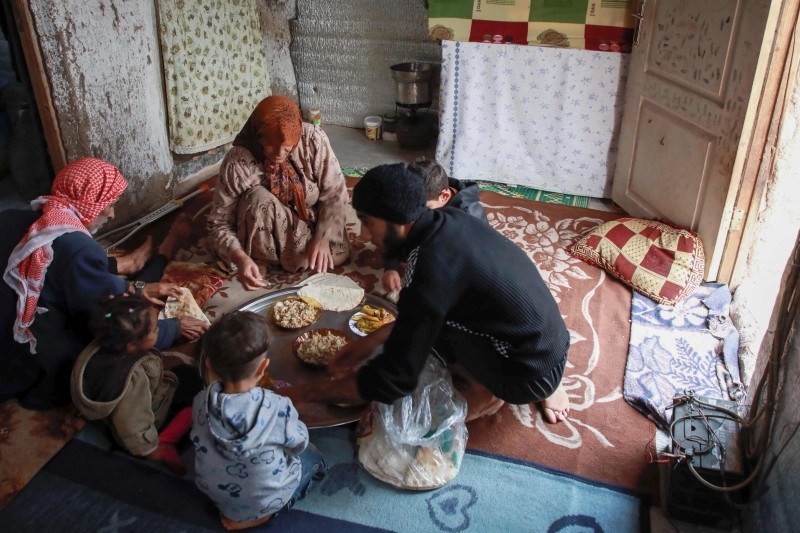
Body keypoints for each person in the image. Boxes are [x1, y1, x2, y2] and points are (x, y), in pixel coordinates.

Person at [283, 163, 571, 424]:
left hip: (527, 373)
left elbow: (395, 378)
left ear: (396, 220)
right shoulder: (448, 220)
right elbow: (420, 312)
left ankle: (487, 394)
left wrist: (307, 392)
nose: (366, 235)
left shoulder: (430, 269)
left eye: (368, 222)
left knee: (429, 343)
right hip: (548, 342)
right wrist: (367, 343)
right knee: (428, 322)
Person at [0, 158, 208, 410]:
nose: (111, 214)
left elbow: (53, 264)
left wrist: (117, 270)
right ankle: (151, 259)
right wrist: (174, 328)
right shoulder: (80, 250)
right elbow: (118, 318)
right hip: (39, 359)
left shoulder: (19, 217)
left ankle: (128, 265)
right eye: (106, 206)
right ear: (86, 202)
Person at [192, 310, 327, 530]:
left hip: (214, 491)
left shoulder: (201, 400)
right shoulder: (277, 407)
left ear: (209, 365)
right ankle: (261, 517)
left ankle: (238, 511)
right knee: (312, 455)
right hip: (263, 501)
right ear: (264, 369)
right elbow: (299, 443)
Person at [207, 95, 351, 291]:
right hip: (263, 227)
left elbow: (335, 192)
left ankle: (297, 255)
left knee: (336, 251)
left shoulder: (312, 139)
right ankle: (263, 259)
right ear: (258, 136)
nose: (279, 155)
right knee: (258, 198)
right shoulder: (239, 162)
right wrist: (240, 258)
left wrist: (323, 237)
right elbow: (219, 224)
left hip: (310, 221)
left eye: (287, 148)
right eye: (271, 146)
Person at [71, 294, 203, 474]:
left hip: (124, 405)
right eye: (155, 329)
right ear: (133, 345)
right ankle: (165, 441)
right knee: (197, 400)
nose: (158, 331)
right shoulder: (131, 379)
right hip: (138, 427)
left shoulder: (108, 340)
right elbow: (132, 421)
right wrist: (149, 449)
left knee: (186, 374)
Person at [382, 157, 486, 294]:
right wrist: (391, 266)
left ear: (444, 196)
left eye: (424, 207)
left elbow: (468, 266)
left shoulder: (470, 218)